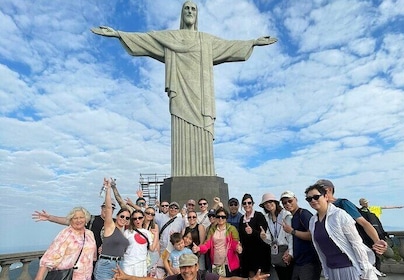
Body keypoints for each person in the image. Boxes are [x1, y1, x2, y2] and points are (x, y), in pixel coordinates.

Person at [91, 1, 277, 177]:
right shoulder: (170, 38)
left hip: (202, 97)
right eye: (186, 8)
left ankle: (204, 172)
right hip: (180, 93)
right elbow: (146, 40)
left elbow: (229, 46)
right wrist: (118, 34)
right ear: (182, 14)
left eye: (193, 9)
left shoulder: (206, 40)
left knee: (203, 134)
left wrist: (252, 42)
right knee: (181, 131)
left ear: (197, 15)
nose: (189, 11)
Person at [305, 184, 377, 280]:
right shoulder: (313, 221)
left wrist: (365, 271)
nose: (313, 200)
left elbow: (356, 243)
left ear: (326, 196)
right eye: (309, 199)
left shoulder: (339, 215)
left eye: (316, 197)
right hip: (331, 269)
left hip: (349, 268)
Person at [32, 199, 117, 274]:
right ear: (101, 208)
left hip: (101, 263)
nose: (107, 210)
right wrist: (50, 217)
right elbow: (68, 220)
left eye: (111, 208)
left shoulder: (115, 223)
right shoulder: (91, 219)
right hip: (81, 265)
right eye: (105, 207)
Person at [316, 179, 388, 255]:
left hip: (359, 249)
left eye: (319, 189)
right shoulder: (322, 210)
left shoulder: (343, 204)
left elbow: (364, 223)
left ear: (329, 189)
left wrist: (377, 241)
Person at [34, 207, 96, 280]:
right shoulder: (66, 234)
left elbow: (93, 256)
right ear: (70, 220)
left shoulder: (89, 234)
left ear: (86, 219)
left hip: (86, 276)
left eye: (81, 217)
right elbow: (50, 255)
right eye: (75, 218)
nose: (78, 220)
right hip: (68, 276)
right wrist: (39, 277)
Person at [113, 253, 270, 280]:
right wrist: (127, 277)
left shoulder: (205, 276)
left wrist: (249, 279)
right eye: (183, 267)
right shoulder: (176, 278)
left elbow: (228, 279)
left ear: (196, 267)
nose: (186, 271)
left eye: (189, 267)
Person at [94, 178, 131, 280]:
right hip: (106, 264)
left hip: (120, 264)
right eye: (122, 216)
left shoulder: (124, 232)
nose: (124, 219)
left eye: (127, 218)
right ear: (117, 216)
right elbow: (109, 208)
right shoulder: (110, 226)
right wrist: (108, 189)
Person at [280, 191, 321, 280]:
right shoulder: (293, 217)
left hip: (309, 262)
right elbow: (296, 239)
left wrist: (292, 231)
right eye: (284, 203)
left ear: (296, 199)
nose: (287, 204)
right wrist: (289, 251)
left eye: (290, 201)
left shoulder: (304, 214)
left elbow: (313, 235)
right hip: (299, 262)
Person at [192, 207, 242, 277]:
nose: (220, 218)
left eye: (223, 217)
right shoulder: (212, 230)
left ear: (226, 218)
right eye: (218, 216)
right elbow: (207, 245)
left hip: (229, 264)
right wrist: (198, 248)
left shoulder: (232, 229)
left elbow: (235, 244)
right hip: (215, 264)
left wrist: (238, 248)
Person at [259, 193, 293, 280]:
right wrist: (264, 237)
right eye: (265, 203)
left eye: (270, 202)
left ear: (275, 202)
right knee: (281, 275)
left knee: (289, 276)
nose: (268, 204)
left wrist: (290, 251)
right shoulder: (267, 218)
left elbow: (291, 236)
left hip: (286, 250)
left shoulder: (286, 215)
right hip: (276, 252)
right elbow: (270, 240)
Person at [238, 193, 271, 277]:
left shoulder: (259, 216)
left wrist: (253, 232)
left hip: (260, 255)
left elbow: (264, 235)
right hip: (247, 257)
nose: (247, 205)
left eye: (249, 203)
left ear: (253, 204)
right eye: (244, 203)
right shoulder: (242, 219)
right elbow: (241, 237)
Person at [122, 210, 158, 277]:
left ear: (143, 218)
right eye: (135, 218)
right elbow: (121, 247)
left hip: (141, 264)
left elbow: (152, 248)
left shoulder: (147, 233)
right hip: (128, 263)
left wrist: (156, 235)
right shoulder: (127, 232)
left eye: (140, 218)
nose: (137, 220)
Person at [154, 201, 186, 277]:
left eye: (176, 208)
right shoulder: (161, 217)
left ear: (178, 210)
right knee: (160, 270)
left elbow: (184, 232)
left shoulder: (181, 220)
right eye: (171, 207)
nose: (173, 209)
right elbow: (147, 212)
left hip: (174, 250)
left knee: (172, 271)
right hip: (162, 249)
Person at [358, 199, 388, 277]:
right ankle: (375, 271)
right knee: (374, 256)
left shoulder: (360, 213)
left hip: (365, 237)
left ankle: (371, 271)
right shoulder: (370, 214)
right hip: (369, 237)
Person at [142, 206, 161, 276]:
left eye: (152, 214)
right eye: (148, 213)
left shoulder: (155, 226)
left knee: (152, 275)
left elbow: (157, 242)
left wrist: (159, 256)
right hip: (142, 253)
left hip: (153, 253)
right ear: (144, 213)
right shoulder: (139, 224)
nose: (150, 215)